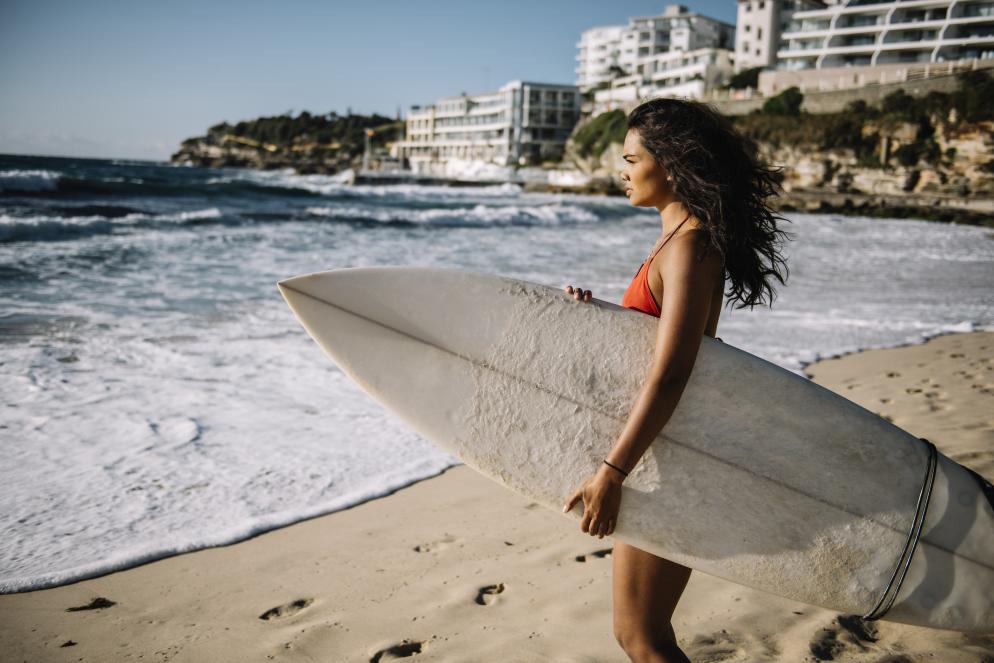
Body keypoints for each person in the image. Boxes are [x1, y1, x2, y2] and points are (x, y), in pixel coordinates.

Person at [561, 98, 791, 663]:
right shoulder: (676, 240)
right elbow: (650, 345)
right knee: (638, 632)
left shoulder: (689, 245)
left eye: (630, 157)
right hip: (663, 451)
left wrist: (612, 472)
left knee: (643, 635)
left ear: (668, 163)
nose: (621, 169)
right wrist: (595, 319)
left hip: (673, 457)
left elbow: (672, 372)